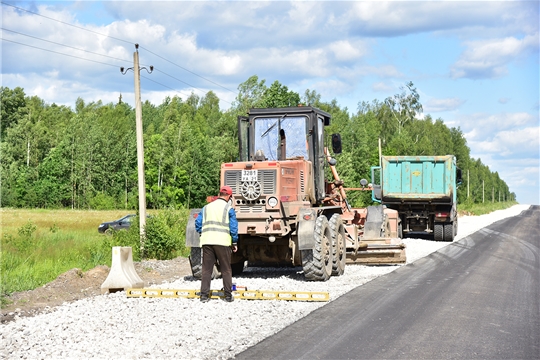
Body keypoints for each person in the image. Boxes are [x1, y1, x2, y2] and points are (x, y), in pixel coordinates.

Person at [195, 185, 238, 303]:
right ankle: (228, 296)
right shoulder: (229, 209)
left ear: (219, 195)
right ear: (229, 196)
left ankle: (204, 296)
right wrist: (234, 242)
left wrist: (203, 232)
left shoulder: (206, 207)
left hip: (207, 241)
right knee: (226, 269)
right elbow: (233, 227)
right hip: (222, 242)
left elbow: (198, 223)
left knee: (206, 269)